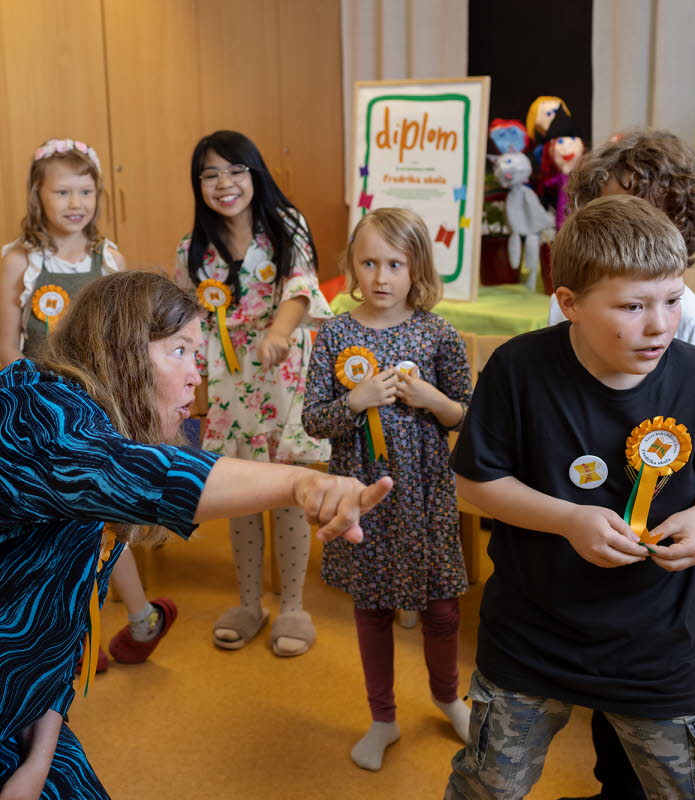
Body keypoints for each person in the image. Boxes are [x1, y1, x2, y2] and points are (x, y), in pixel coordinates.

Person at [0, 270, 391, 799]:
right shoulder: (37, 413)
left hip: (23, 720)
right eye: (179, 351)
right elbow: (144, 473)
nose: (195, 376)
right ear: (124, 352)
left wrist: (38, 764)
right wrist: (302, 481)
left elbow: (51, 639)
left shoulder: (90, 467)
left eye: (197, 353)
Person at [445, 195, 695, 800]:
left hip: (657, 647)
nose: (659, 325)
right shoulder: (516, 370)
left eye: (672, 300)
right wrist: (568, 519)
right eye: (632, 306)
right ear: (568, 303)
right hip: (529, 640)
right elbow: (474, 481)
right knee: (485, 787)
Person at [547, 129, 695, 800]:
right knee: (599, 673)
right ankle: (611, 785)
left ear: (676, 219)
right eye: (601, 210)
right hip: (586, 515)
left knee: (651, 681)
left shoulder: (694, 323)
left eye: (637, 212)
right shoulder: (566, 300)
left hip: (661, 530)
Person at [302, 208, 472, 771]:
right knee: (371, 608)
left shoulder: (439, 332)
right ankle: (383, 718)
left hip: (426, 496)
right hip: (361, 494)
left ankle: (448, 698)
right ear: (351, 265)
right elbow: (313, 420)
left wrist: (432, 401)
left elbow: (467, 418)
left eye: (394, 263)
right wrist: (357, 401)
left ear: (416, 267)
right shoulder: (336, 333)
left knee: (442, 610)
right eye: (368, 261)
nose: (380, 276)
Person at [0, 138, 176, 671]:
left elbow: (127, 337)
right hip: (41, 411)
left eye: (85, 190)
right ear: (37, 195)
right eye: (61, 191)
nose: (76, 202)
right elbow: (7, 346)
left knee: (102, 520)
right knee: (63, 524)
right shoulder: (18, 261)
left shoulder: (109, 258)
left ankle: (112, 625)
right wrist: (40, 395)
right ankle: (97, 630)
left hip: (103, 409)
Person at [175, 130, 332, 657]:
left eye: (235, 171)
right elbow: (186, 322)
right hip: (227, 385)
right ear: (199, 185)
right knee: (238, 494)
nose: (224, 184)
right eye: (210, 174)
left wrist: (279, 334)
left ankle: (292, 606)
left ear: (255, 174)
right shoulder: (190, 251)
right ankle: (248, 604)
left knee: (288, 490)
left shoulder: (286, 226)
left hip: (283, 376)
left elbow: (302, 288)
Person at [548, 128, 695, 362]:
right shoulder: (569, 300)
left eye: (647, 216)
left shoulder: (694, 322)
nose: (629, 229)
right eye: (613, 213)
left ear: (679, 225)